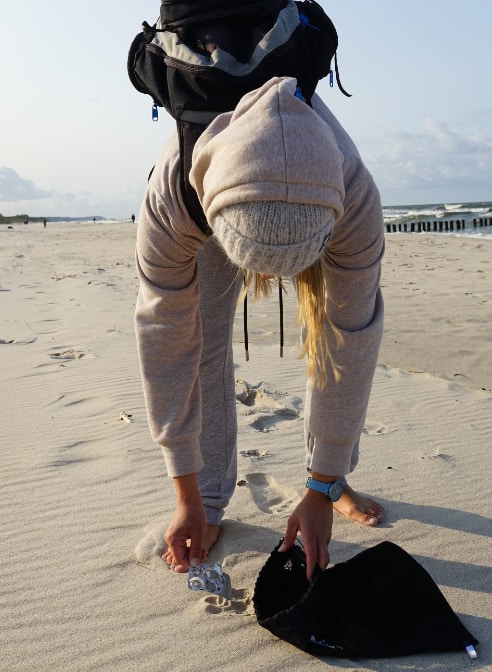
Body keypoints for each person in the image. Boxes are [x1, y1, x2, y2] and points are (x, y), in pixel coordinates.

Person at [135, 23, 385, 585]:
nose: (270, 279)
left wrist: (320, 488)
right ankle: (210, 498)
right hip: (217, 198)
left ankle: (334, 480)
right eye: (262, 265)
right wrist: (186, 494)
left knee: (328, 334)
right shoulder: (172, 199)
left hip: (319, 202)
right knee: (201, 343)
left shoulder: (358, 202)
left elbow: (351, 342)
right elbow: (167, 348)